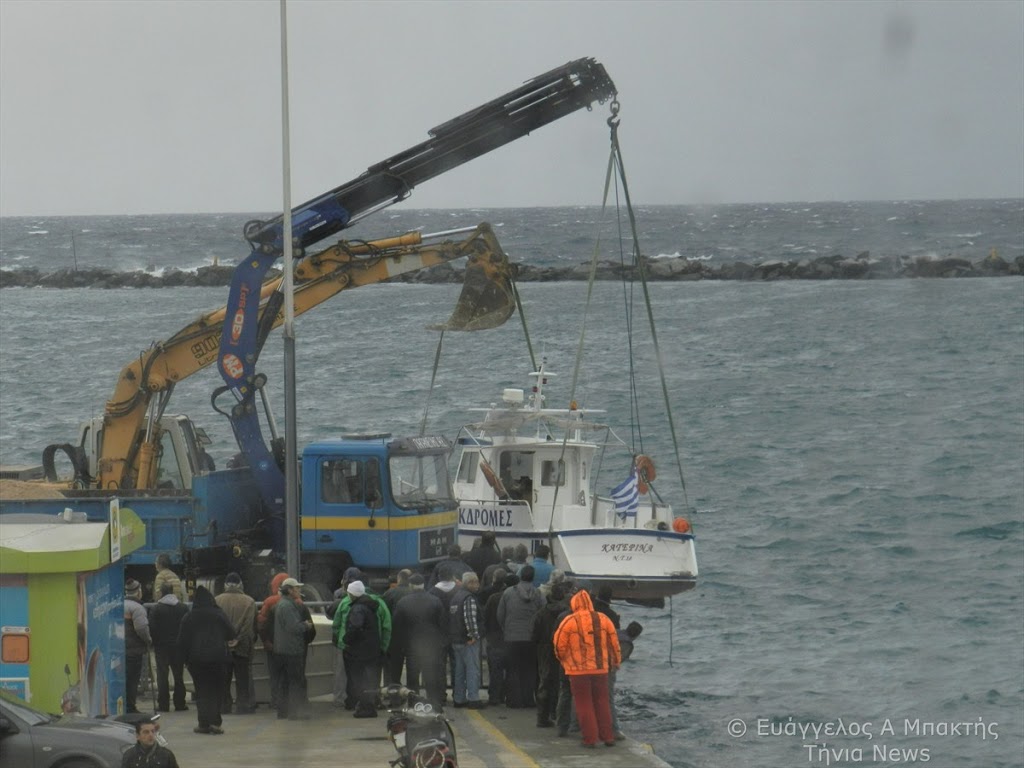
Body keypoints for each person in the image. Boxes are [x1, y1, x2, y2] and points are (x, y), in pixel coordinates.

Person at [553, 589, 621, 748]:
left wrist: (564, 660)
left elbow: (558, 645)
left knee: (584, 704)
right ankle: (608, 737)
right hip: (600, 669)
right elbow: (614, 644)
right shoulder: (603, 619)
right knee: (602, 702)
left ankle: (590, 739)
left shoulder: (569, 621)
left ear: (574, 604)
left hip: (578, 671)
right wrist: (615, 662)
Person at [177, 585, 235, 734]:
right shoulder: (219, 614)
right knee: (216, 690)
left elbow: (182, 641)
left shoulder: (189, 617)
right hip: (218, 659)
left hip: (196, 661)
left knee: (202, 691)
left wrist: (184, 660)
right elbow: (231, 633)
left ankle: (203, 724)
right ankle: (215, 723)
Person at [331, 567, 391, 708]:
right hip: (373, 647)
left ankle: (346, 700)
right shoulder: (379, 603)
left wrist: (339, 641)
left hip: (347, 646)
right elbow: (387, 627)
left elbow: (336, 624)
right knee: (371, 675)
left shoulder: (345, 602)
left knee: (348, 675)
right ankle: (372, 700)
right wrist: (383, 646)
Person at [391, 573, 447, 709]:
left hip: (412, 647)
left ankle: (414, 704)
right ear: (423, 585)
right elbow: (443, 624)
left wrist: (399, 646)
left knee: (412, 679)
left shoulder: (403, 602)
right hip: (431, 647)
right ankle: (434, 704)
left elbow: (397, 627)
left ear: (410, 585)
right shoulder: (435, 601)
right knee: (431, 677)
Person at [497, 564, 544, 708]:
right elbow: (542, 615)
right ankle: (528, 700)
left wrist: (506, 629)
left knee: (513, 669)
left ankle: (514, 700)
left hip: (512, 637)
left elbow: (500, 615)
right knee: (529, 669)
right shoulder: (538, 594)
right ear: (533, 577)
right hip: (531, 638)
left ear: (520, 575)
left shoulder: (508, 593)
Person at [271, 577, 313, 720]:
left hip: (281, 649)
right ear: (289, 590)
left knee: (284, 682)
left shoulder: (281, 604)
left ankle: (283, 711)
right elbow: (293, 627)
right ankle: (294, 712)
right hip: (291, 649)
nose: (299, 590)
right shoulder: (288, 606)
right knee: (295, 681)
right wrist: (306, 625)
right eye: (297, 588)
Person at [215, 572, 256, 714]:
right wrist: (238, 639)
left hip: (223, 647)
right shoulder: (249, 601)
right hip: (242, 647)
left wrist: (225, 639)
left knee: (224, 679)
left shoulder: (217, 600)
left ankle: (224, 706)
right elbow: (248, 626)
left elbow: (216, 624)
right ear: (240, 584)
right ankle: (242, 706)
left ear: (225, 585)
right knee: (242, 679)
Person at [531, 581, 569, 727]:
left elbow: (534, 634)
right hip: (562, 650)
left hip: (544, 649)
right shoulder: (567, 615)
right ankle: (557, 714)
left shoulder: (541, 613)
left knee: (545, 682)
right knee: (561, 684)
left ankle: (542, 717)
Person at [343, 580, 382, 717]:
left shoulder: (358, 609)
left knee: (359, 679)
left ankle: (365, 708)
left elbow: (355, 627)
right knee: (369, 679)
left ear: (352, 594)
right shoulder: (369, 606)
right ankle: (369, 706)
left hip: (359, 650)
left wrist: (346, 639)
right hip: (371, 649)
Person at [149, 582, 188, 712]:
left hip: (161, 646)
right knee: (178, 675)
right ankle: (180, 703)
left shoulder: (156, 609)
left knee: (162, 675)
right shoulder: (183, 608)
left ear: (161, 593)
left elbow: (152, 628)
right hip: (178, 646)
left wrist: (155, 642)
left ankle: (163, 704)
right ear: (172, 591)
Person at [450, 572, 486, 709]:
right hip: (467, 641)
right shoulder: (469, 598)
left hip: (456, 640)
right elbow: (470, 618)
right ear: (470, 583)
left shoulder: (456, 597)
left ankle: (459, 699)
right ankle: (473, 699)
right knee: (472, 670)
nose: (478, 585)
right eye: (476, 582)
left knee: (459, 671)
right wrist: (473, 636)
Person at [256, 572, 291, 711]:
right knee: (289, 674)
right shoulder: (296, 600)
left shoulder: (269, 602)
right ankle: (289, 701)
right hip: (290, 646)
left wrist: (265, 641)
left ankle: (276, 701)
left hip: (272, 645)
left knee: (274, 675)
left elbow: (261, 624)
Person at [609, 620, 644, 739]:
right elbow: (617, 659)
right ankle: (613, 730)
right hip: (605, 670)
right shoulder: (626, 643)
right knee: (608, 700)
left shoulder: (616, 632)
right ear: (637, 635)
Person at [123, 579, 152, 715]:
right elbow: (141, 628)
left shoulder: (120, 604)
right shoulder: (137, 608)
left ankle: (123, 705)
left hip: (120, 649)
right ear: (139, 591)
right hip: (133, 651)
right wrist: (148, 640)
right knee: (132, 680)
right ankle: (130, 707)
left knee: (123, 679)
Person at [483, 570, 511, 706]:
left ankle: (494, 697)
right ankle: (507, 695)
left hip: (494, 638)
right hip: (510, 638)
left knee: (495, 669)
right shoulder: (512, 598)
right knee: (510, 669)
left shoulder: (493, 598)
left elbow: (486, 617)